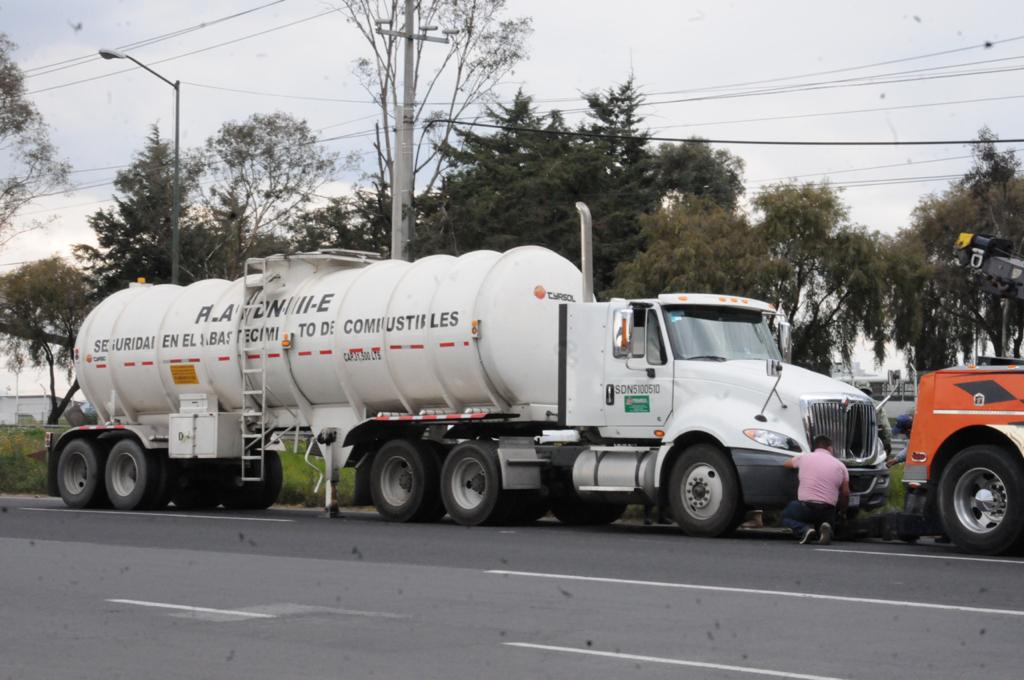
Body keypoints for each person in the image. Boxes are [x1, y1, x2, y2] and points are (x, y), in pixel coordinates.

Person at [781, 435, 850, 545]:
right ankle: (826, 529)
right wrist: (843, 512)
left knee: (785, 516)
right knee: (826, 524)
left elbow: (786, 463)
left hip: (805, 508)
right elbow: (846, 493)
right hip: (828, 510)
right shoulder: (841, 466)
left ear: (814, 447)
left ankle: (804, 529)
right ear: (830, 448)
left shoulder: (804, 457)